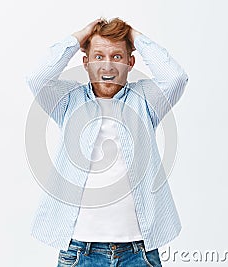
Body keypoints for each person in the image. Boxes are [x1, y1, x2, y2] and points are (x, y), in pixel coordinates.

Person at [25, 18, 189, 267]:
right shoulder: (69, 101)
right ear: (86, 63)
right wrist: (79, 37)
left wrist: (134, 36)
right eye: (98, 57)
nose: (108, 65)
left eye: (117, 56)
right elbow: (37, 78)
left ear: (130, 62)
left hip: (138, 251)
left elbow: (175, 77)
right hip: (80, 251)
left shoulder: (145, 100)